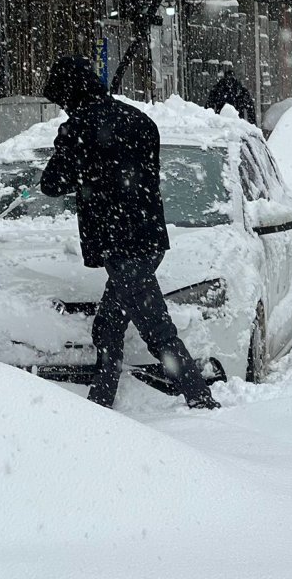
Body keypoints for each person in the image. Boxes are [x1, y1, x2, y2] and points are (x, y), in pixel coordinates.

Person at [39, 56, 220, 410]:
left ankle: (200, 398)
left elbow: (52, 184)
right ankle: (100, 402)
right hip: (149, 240)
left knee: (156, 331)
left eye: (62, 100)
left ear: (69, 95)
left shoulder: (79, 129)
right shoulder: (139, 120)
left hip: (121, 248)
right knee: (108, 327)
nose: (62, 108)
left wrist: (66, 147)